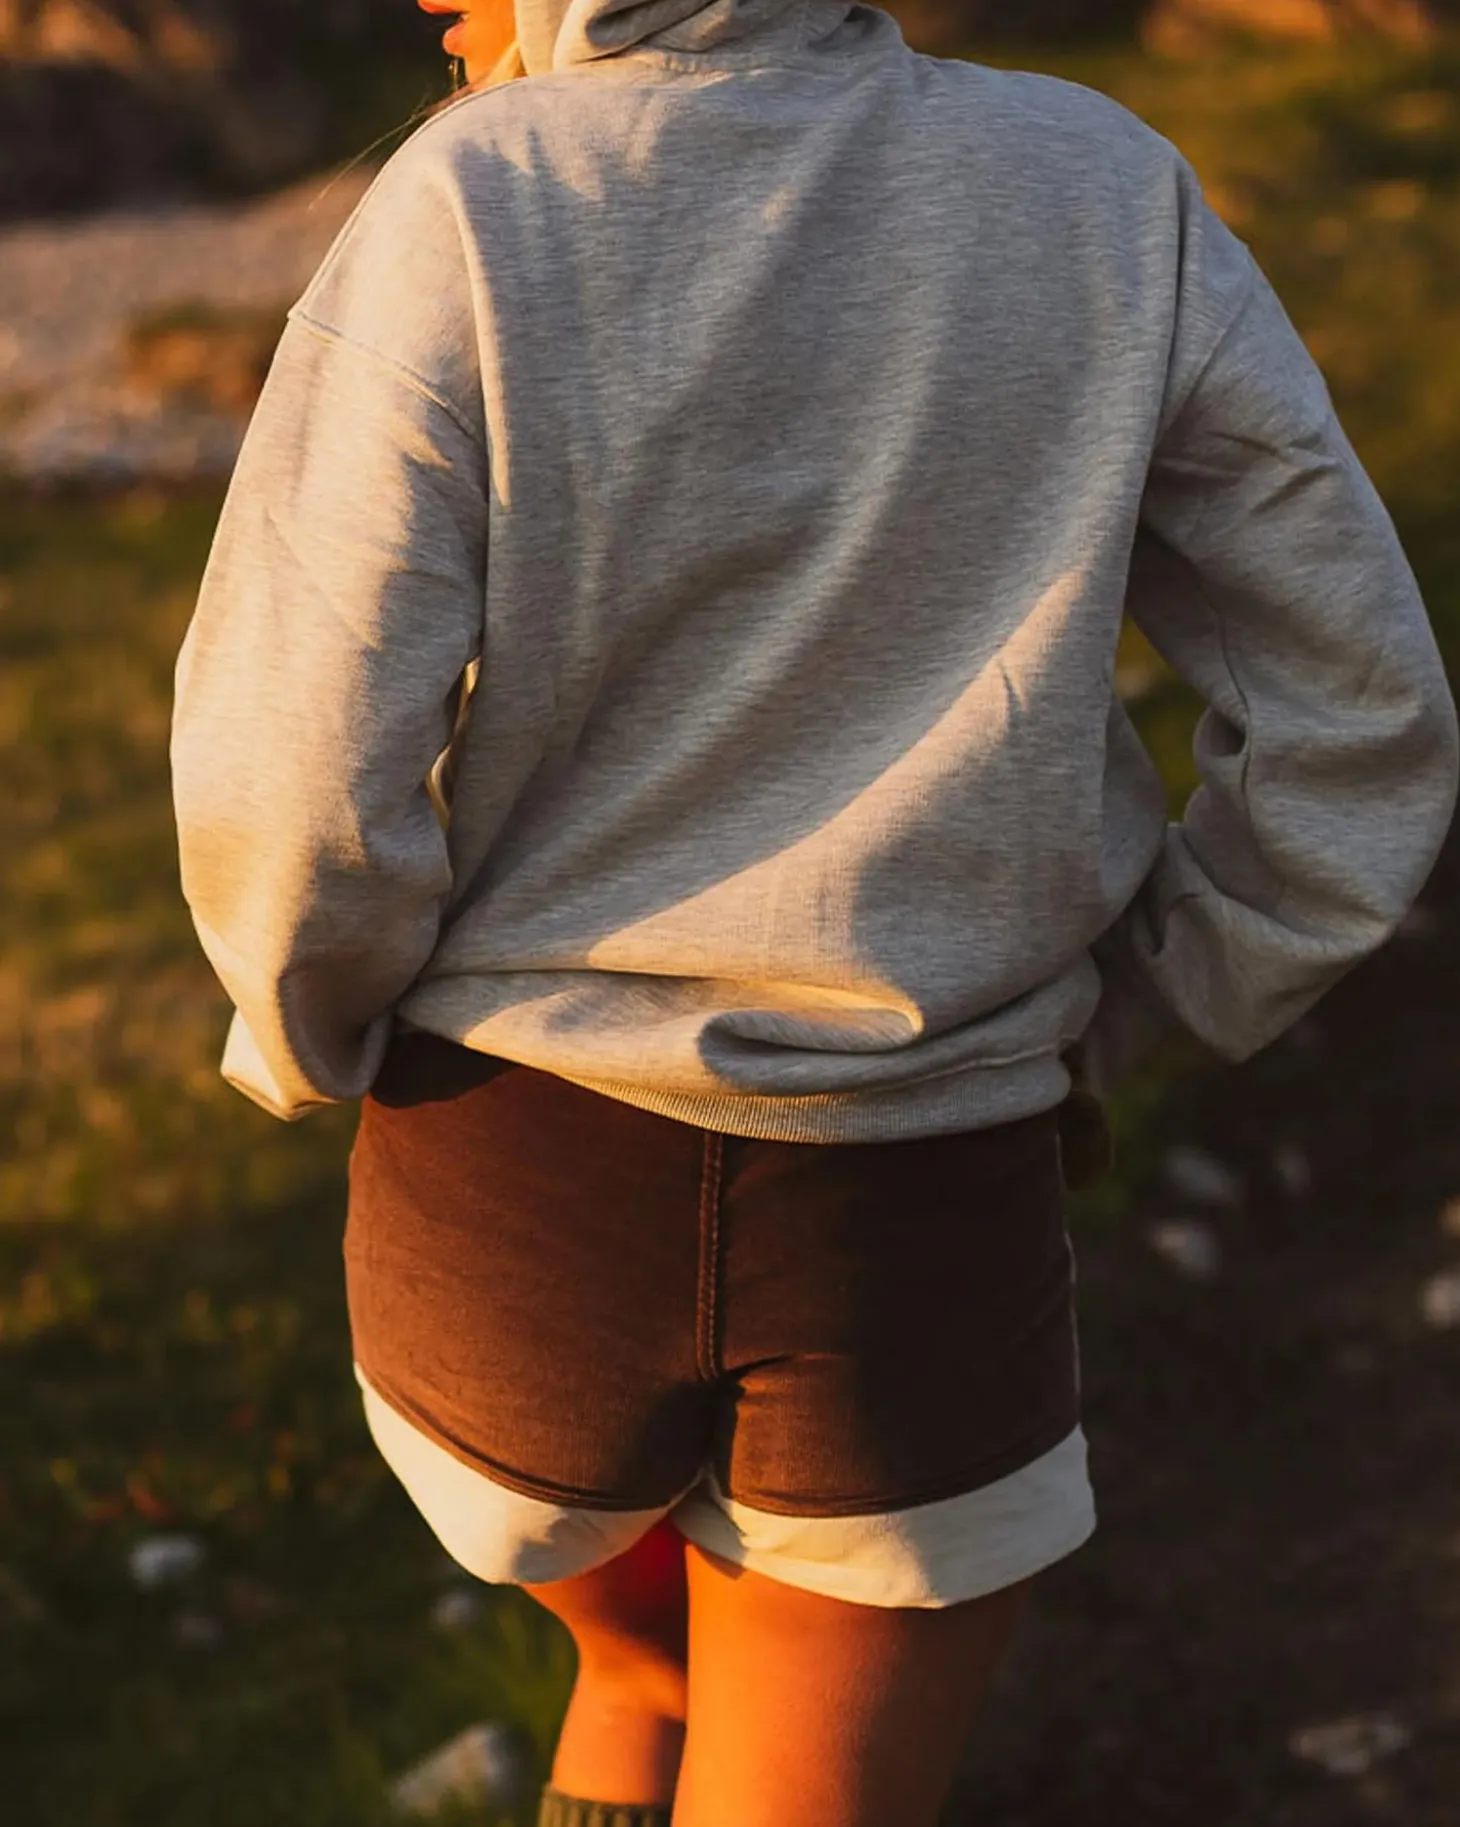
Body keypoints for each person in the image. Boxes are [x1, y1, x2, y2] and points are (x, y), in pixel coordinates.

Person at [168, 0, 1460, 1821]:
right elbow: (1362, 724)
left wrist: (311, 1027)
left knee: (639, 1670)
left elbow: (291, 763)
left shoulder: (465, 203)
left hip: (511, 1210)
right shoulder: (1102, 188)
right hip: (916, 1207)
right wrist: (1146, 1004)